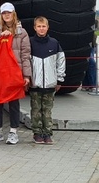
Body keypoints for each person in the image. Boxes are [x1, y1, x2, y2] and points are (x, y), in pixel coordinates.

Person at [0, 3, 30, 144]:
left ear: (13, 13)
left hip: (14, 71)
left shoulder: (22, 32)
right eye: (4, 13)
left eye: (9, 12)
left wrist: (26, 75)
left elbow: (25, 54)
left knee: (13, 102)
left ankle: (13, 132)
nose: (6, 15)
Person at [28, 16, 66, 145]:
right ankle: (37, 133)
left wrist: (59, 79)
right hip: (35, 84)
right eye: (39, 26)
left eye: (43, 26)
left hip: (50, 84)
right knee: (35, 110)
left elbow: (61, 61)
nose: (41, 29)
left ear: (48, 27)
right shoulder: (30, 42)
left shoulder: (54, 43)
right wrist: (28, 79)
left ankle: (48, 133)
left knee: (47, 110)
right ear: (35, 28)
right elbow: (26, 63)